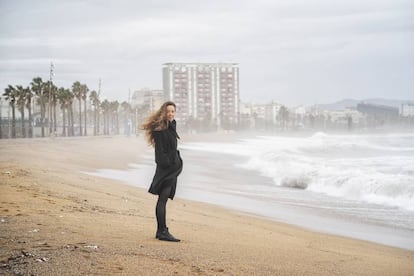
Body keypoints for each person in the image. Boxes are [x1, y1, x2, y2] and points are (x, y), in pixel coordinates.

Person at [142, 101, 183, 242]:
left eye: (173, 111)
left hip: (171, 169)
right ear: (163, 113)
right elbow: (160, 154)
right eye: (168, 111)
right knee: (162, 199)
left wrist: (176, 159)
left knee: (163, 199)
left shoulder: (172, 125)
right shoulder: (161, 129)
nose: (170, 114)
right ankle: (162, 231)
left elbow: (171, 148)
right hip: (166, 170)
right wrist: (171, 163)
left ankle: (161, 230)